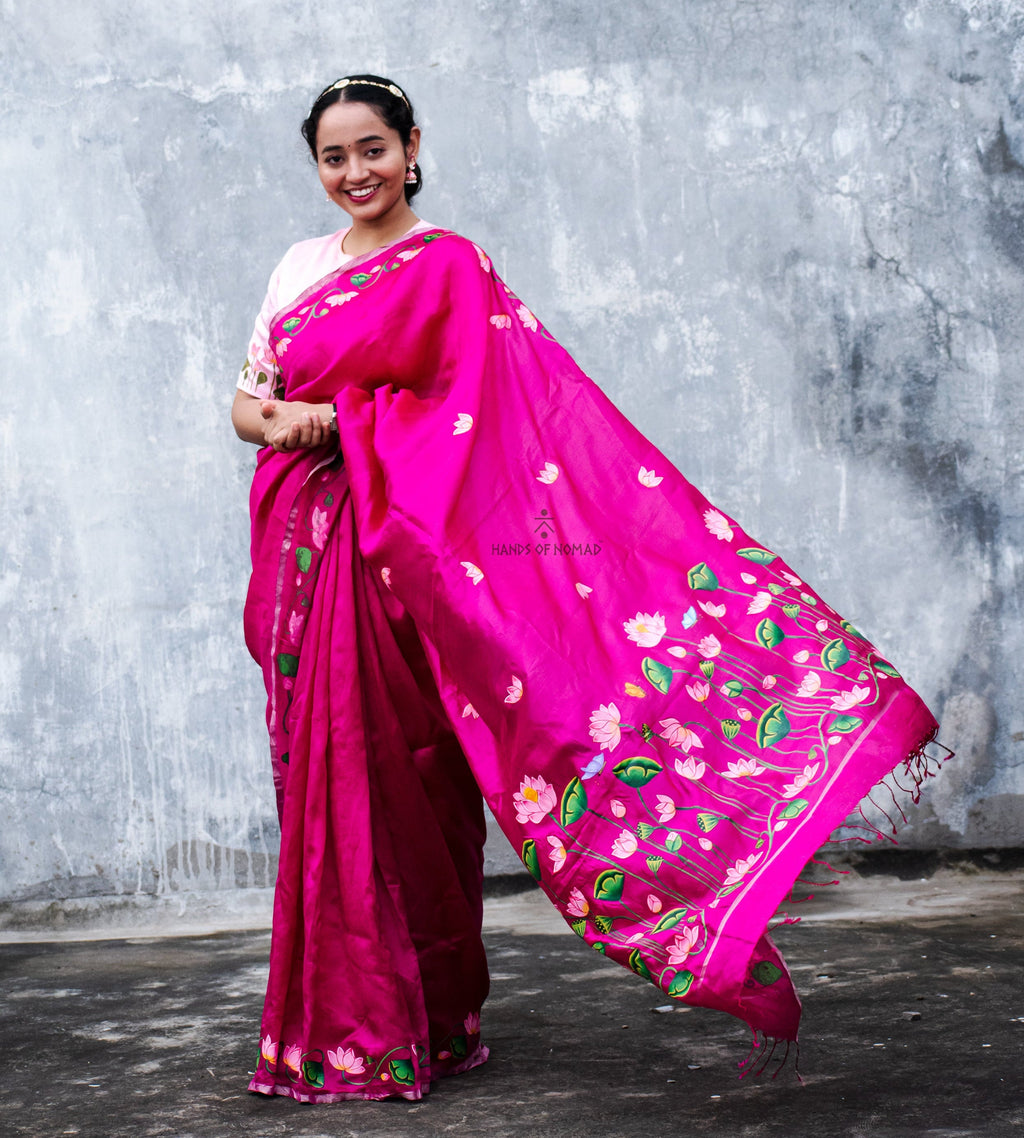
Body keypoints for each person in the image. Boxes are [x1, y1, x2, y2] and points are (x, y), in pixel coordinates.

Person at [232, 75, 945, 1103]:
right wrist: (284, 424)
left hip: (405, 560)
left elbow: (477, 414)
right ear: (316, 168)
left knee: (415, 782)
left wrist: (346, 425)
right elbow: (246, 401)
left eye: (373, 149)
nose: (356, 173)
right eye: (334, 157)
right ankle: (334, 1033)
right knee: (329, 785)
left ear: (413, 145)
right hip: (310, 562)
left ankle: (425, 1022)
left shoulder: (449, 266)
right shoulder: (299, 268)